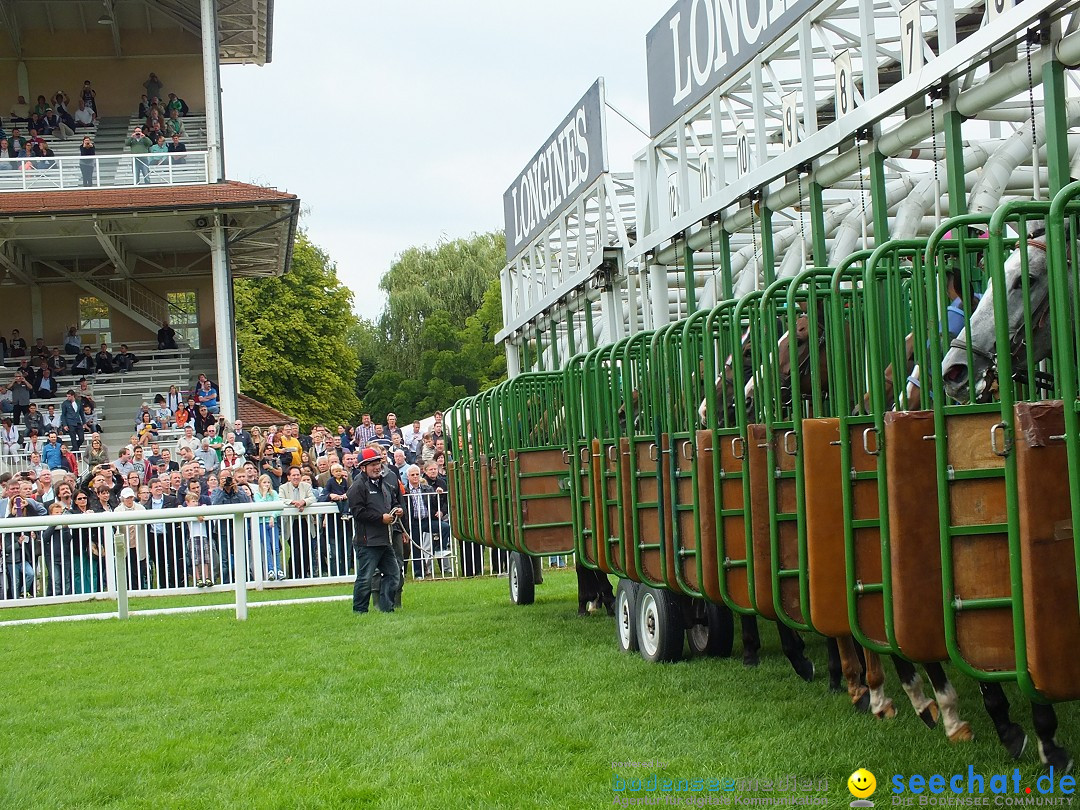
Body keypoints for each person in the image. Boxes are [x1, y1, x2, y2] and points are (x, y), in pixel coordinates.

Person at [347, 448, 406, 614]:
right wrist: (381, 518)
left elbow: (394, 502)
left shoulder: (385, 484)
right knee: (365, 578)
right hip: (367, 542)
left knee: (393, 575)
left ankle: (387, 608)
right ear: (363, 468)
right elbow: (358, 513)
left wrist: (398, 509)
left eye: (378, 463)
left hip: (384, 540)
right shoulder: (357, 487)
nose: (376, 467)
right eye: (372, 464)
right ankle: (359, 611)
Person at [279, 465, 318, 578]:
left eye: (298, 475)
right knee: (295, 549)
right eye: (293, 475)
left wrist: (303, 502)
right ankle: (293, 575)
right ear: (288, 477)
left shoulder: (306, 486)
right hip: (292, 523)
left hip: (305, 521)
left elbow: (312, 498)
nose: (296, 477)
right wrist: (294, 503)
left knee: (306, 548)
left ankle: (304, 575)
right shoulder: (283, 488)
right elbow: (281, 500)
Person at [253, 474, 284, 580]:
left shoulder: (274, 493)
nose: (266, 485)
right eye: (264, 482)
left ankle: (278, 569)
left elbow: (278, 506)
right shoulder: (257, 495)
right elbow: (259, 506)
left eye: (268, 482)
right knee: (267, 547)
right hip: (262, 523)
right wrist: (264, 495)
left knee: (275, 547)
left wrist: (272, 516)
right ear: (260, 484)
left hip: (272, 522)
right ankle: (270, 569)